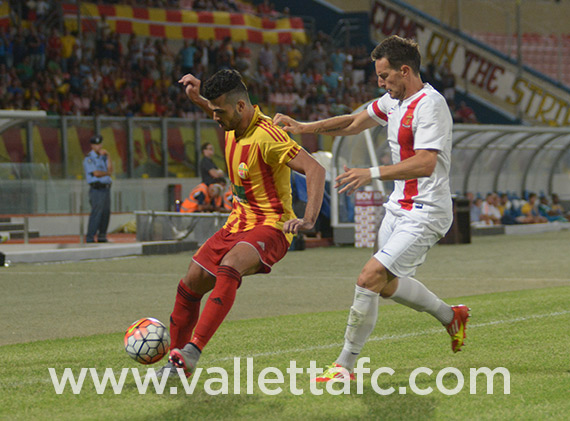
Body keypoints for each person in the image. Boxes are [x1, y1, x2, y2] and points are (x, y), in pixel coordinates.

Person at [274, 35, 469, 381]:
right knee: (385, 285)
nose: (380, 83)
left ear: (404, 71)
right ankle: (450, 316)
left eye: (384, 76)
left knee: (369, 278)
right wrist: (305, 128)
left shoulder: (430, 105)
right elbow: (352, 122)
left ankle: (344, 366)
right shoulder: (393, 102)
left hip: (427, 211)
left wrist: (371, 173)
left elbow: (425, 163)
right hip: (398, 207)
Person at [158, 69, 326, 378]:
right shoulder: (232, 120)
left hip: (273, 226)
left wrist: (308, 219)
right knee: (190, 283)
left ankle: (193, 350)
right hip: (237, 222)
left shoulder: (269, 136)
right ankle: (175, 367)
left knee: (231, 264)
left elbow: (315, 169)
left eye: (219, 111)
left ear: (239, 107)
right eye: (214, 110)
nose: (215, 117)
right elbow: (216, 107)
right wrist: (198, 98)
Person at [83, 135, 113, 243]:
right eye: (96, 144)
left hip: (106, 188)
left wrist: (108, 156)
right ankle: (90, 237)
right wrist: (107, 173)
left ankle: (102, 236)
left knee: (106, 212)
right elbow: (96, 173)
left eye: (100, 144)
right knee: (97, 213)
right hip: (97, 189)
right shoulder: (89, 158)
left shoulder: (103, 157)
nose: (98, 146)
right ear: (92, 146)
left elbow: (110, 169)